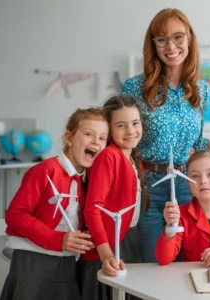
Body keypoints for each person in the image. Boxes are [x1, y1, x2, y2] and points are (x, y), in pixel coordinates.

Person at [121, 8, 210, 262]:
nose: (171, 46)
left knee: (188, 261)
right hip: (147, 184)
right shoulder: (134, 87)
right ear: (154, 45)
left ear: (189, 39)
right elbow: (120, 138)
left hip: (186, 184)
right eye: (162, 39)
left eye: (178, 37)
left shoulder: (200, 89)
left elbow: (198, 143)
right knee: (153, 263)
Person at [0, 108, 108, 300]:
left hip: (65, 263)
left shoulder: (85, 181)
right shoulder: (44, 170)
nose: (96, 142)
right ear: (69, 138)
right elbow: (15, 215)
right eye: (89, 134)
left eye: (102, 138)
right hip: (32, 261)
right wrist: (58, 239)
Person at [77, 95, 147, 300]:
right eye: (121, 125)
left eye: (135, 123)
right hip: (108, 243)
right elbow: (92, 208)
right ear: (109, 129)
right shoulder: (109, 156)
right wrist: (106, 253)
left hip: (128, 237)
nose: (131, 131)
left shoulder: (133, 157)